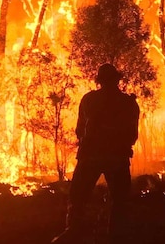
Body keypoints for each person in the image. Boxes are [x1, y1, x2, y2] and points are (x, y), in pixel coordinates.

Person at [53, 63, 140, 243]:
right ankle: (116, 235)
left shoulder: (89, 100)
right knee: (119, 200)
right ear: (117, 80)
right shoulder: (128, 103)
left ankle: (73, 231)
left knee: (78, 196)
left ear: (99, 81)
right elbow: (132, 134)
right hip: (116, 157)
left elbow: (80, 130)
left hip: (91, 156)